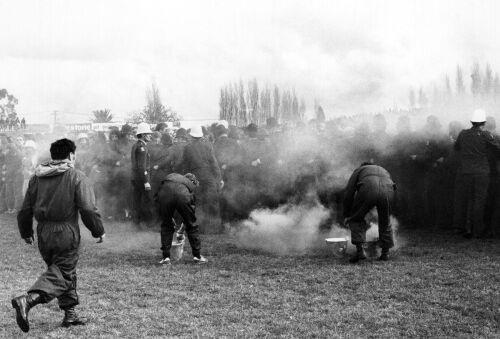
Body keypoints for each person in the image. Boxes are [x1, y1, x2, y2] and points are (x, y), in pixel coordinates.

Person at [12, 138, 105, 333]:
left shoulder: (37, 177)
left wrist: (26, 232)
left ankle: (70, 315)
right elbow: (88, 209)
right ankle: (28, 300)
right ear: (71, 155)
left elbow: (25, 208)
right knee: (63, 272)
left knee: (61, 270)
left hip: (44, 232)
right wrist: (98, 230)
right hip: (65, 232)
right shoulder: (76, 176)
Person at [453, 109, 500, 238]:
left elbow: (456, 147)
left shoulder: (463, 133)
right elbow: (497, 148)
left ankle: (464, 228)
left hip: (465, 171)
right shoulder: (485, 135)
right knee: (479, 201)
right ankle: (477, 231)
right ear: (483, 122)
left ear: (472, 122)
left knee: (466, 200)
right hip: (481, 173)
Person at [343, 162, 396, 263]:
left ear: (362, 166)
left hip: (368, 188)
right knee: (385, 221)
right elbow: (391, 185)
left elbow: (349, 192)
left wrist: (347, 214)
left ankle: (360, 252)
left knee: (356, 218)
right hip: (388, 190)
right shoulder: (382, 169)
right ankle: (385, 253)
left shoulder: (359, 170)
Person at [180, 125, 223, 233]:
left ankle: (198, 228)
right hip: (209, 177)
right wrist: (219, 179)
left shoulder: (187, 148)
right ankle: (214, 228)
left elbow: (185, 166)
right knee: (212, 202)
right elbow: (214, 163)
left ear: (191, 136)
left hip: (195, 177)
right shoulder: (208, 145)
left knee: (197, 203)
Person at [156, 172, 207, 264]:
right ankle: (197, 256)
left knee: (166, 226)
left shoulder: (172, 177)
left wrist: (168, 218)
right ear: (192, 181)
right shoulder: (189, 185)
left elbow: (158, 199)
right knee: (192, 226)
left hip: (164, 194)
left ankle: (166, 258)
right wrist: (182, 230)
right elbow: (190, 217)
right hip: (182, 195)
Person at [131, 122, 154, 227]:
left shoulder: (135, 145)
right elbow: (142, 167)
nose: (150, 136)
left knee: (137, 201)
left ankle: (136, 223)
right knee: (147, 201)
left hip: (136, 178)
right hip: (142, 178)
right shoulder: (142, 148)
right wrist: (146, 182)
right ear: (143, 135)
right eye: (148, 134)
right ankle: (149, 223)